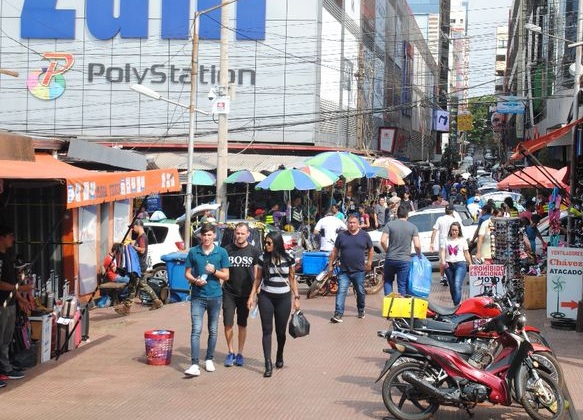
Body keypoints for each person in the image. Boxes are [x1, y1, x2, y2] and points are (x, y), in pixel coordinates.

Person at [247, 231, 300, 377]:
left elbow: (292, 278)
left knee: (281, 332)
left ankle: (280, 353)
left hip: (283, 298)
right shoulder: (262, 258)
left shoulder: (288, 258)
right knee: (266, 330)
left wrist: (296, 298)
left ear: (277, 243)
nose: (267, 245)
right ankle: (267, 363)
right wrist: (251, 296)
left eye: (269, 243)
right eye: (266, 242)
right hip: (266, 297)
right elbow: (257, 279)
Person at [184, 223, 230, 377]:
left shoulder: (221, 252)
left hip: (215, 296)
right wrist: (195, 281)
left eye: (210, 235)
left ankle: (209, 358)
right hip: (198, 296)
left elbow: (226, 275)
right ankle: (195, 363)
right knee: (196, 330)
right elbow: (187, 273)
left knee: (213, 329)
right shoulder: (194, 252)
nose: (206, 238)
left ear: (214, 236)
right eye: (204, 235)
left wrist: (215, 271)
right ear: (200, 236)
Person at [222, 223, 260, 368]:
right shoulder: (227, 250)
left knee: (242, 324)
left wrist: (253, 295)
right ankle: (230, 352)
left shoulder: (254, 251)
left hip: (245, 294)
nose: (239, 236)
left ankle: (240, 353)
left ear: (248, 234)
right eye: (237, 233)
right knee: (228, 323)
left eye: (242, 233)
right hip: (229, 292)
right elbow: (222, 271)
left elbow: (257, 276)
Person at [0, 225, 33, 384]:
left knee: (6, 339)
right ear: (2, 237)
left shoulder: (7, 256)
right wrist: (20, 288)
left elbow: (12, 282)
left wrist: (20, 298)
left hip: (11, 303)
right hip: (2, 304)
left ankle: (5, 367)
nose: (12, 239)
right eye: (10, 235)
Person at [329, 215, 373, 323]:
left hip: (359, 270)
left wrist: (369, 262)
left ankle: (361, 309)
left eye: (354, 222)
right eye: (350, 222)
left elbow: (371, 249)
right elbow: (335, 251)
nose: (351, 224)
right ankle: (338, 314)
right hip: (344, 270)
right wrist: (330, 264)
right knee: (341, 291)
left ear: (358, 224)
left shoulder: (365, 235)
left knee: (360, 292)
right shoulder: (341, 236)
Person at [115, 220, 163, 315]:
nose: (132, 229)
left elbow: (142, 250)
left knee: (133, 286)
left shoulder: (142, 237)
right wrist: (133, 243)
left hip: (139, 266)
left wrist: (133, 246)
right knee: (141, 285)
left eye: (133, 227)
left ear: (138, 226)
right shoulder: (141, 237)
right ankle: (157, 301)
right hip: (140, 266)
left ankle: (126, 308)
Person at [381, 204, 421, 295]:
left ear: (397, 214)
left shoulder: (389, 225)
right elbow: (417, 245)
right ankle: (401, 308)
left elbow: (383, 241)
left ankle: (389, 305)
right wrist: (419, 256)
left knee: (387, 281)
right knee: (402, 284)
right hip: (404, 260)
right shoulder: (413, 227)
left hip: (390, 258)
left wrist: (388, 251)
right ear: (407, 215)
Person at [440, 222, 472, 305]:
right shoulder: (446, 239)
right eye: (453, 230)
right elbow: (443, 251)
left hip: (460, 264)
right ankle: (455, 304)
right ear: (450, 230)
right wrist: (443, 261)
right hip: (448, 265)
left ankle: (457, 306)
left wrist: (470, 263)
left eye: (456, 230)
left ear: (459, 231)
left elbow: (466, 253)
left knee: (457, 284)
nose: (454, 232)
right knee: (452, 287)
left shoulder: (462, 240)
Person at [429, 204, 457, 286]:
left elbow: (434, 231)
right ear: (452, 211)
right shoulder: (453, 220)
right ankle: (449, 276)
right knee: (451, 260)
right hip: (451, 242)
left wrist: (432, 243)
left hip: (442, 243)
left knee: (442, 260)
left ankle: (443, 277)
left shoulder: (440, 219)